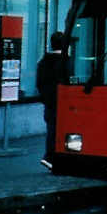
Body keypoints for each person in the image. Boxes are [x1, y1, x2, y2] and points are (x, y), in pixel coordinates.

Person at [36, 31, 64, 169]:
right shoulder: (67, 61)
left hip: (49, 103)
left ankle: (50, 156)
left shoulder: (43, 62)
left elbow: (39, 84)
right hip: (65, 102)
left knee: (51, 129)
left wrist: (46, 99)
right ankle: (52, 156)